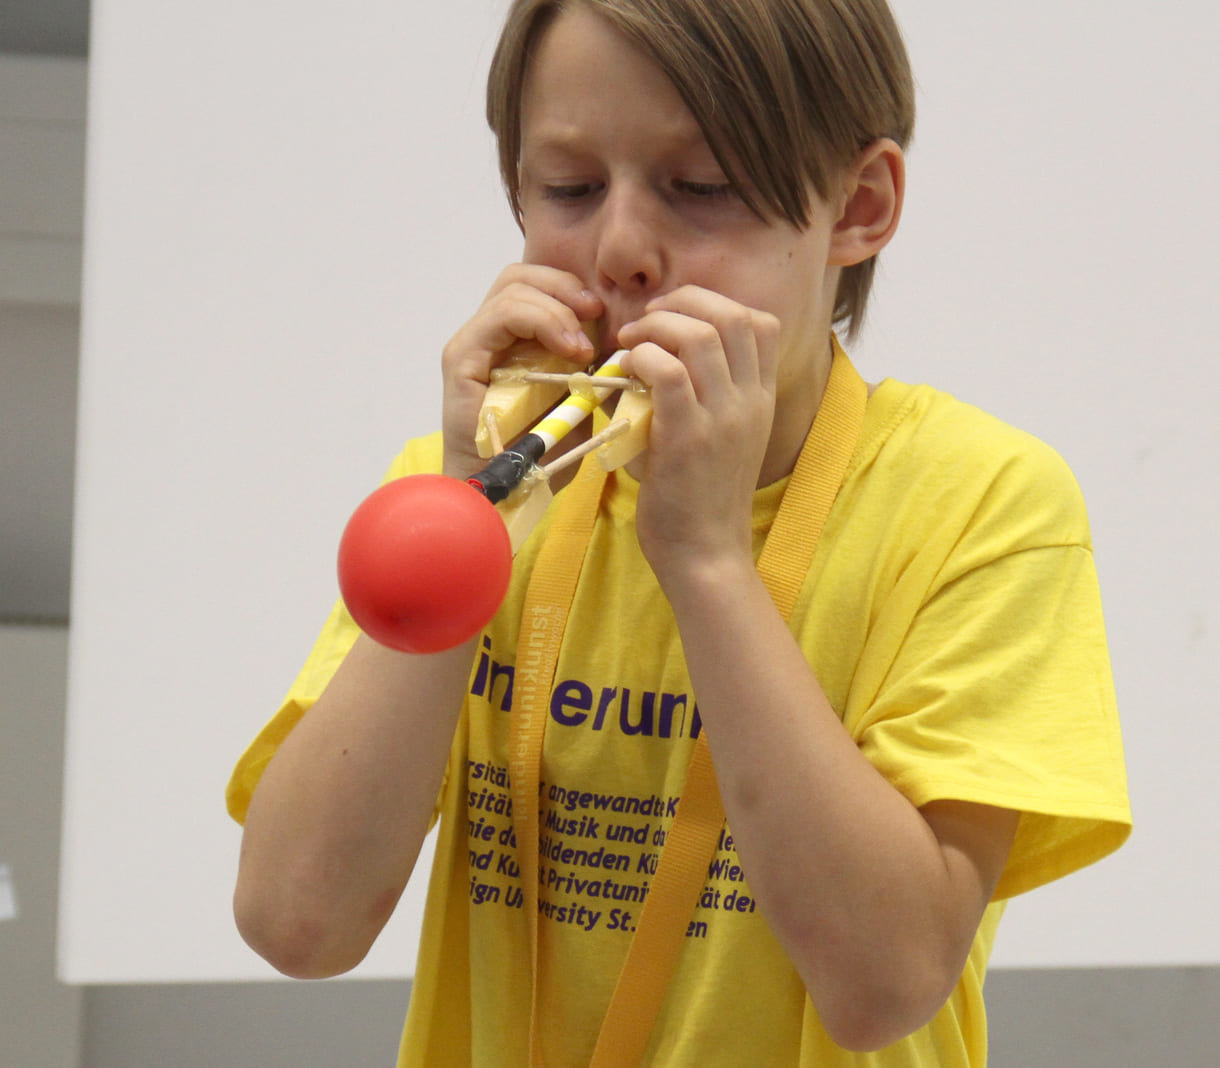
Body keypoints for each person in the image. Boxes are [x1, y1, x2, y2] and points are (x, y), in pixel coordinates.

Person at [227, 1, 1131, 1064]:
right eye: (566, 188)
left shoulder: (977, 500)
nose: (619, 250)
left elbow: (881, 982)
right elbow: (298, 920)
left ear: (859, 203)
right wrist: (470, 494)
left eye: (699, 188)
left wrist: (705, 557)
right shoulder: (470, 493)